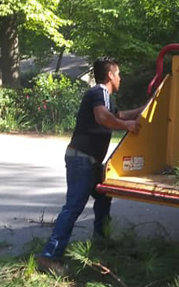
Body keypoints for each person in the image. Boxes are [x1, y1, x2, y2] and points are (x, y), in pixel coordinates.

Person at [37, 57, 144, 274]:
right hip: (81, 159)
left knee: (104, 196)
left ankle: (101, 241)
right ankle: (49, 256)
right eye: (119, 74)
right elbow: (104, 117)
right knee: (74, 206)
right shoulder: (98, 92)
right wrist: (127, 126)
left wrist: (146, 108)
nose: (121, 78)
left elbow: (118, 115)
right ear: (111, 75)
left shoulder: (105, 98)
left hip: (91, 162)